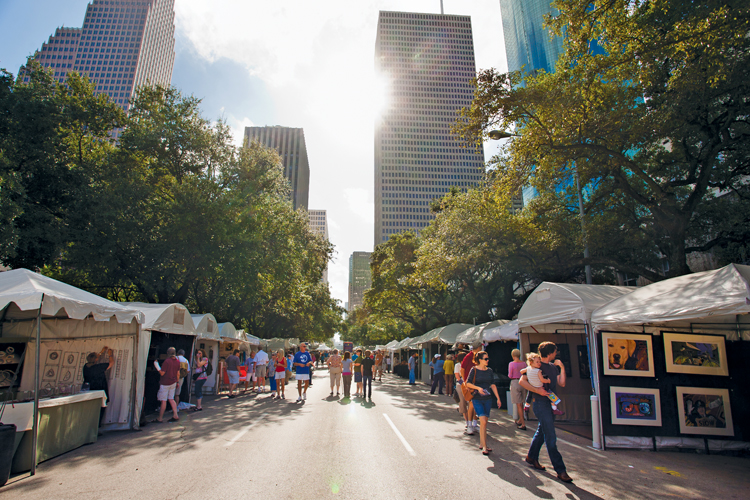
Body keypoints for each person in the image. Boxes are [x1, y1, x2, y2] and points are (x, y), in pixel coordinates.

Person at [520, 341, 572, 483]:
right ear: (550, 353)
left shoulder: (552, 367)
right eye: (555, 351)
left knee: (542, 431)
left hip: (551, 403)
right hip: (540, 403)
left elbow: (562, 383)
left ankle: (531, 456)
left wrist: (561, 367)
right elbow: (521, 381)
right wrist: (537, 390)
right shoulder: (536, 365)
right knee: (550, 436)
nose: (556, 354)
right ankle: (560, 469)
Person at [463, 350, 501, 456]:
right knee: (483, 421)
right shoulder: (474, 370)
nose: (488, 360)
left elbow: (492, 384)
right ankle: (484, 446)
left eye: (488, 358)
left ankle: (481, 442)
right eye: (485, 359)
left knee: (485, 422)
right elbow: (468, 383)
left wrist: (498, 398)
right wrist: (478, 388)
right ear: (479, 360)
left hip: (488, 398)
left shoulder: (489, 371)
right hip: (477, 398)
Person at [83, 346, 114, 426]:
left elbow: (94, 359)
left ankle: (90, 425)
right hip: (99, 388)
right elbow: (111, 363)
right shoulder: (97, 368)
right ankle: (97, 426)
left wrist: (101, 352)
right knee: (100, 408)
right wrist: (110, 355)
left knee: (91, 408)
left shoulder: (86, 367)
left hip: (89, 389)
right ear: (96, 360)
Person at [461, 342, 482, 435]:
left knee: (475, 405)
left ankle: (474, 424)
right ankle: (470, 425)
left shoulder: (478, 357)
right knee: (472, 405)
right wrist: (465, 382)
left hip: (477, 384)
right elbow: (462, 369)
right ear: (478, 348)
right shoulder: (469, 357)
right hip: (471, 384)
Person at [155, 347, 181, 423]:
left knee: (163, 400)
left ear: (168, 353)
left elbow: (162, 373)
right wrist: (177, 382)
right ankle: (175, 415)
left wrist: (157, 366)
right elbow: (178, 373)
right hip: (173, 382)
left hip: (165, 382)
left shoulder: (166, 361)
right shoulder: (177, 361)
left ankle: (160, 418)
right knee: (171, 399)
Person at [508, 349, 527, 430]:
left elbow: (510, 375)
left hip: (515, 381)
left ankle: (523, 423)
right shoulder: (524, 363)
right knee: (522, 403)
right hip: (523, 382)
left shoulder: (511, 364)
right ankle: (520, 419)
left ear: (513, 356)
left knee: (518, 404)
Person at [454, 352, 469, 430]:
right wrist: (463, 384)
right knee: (462, 403)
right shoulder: (457, 365)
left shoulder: (468, 364)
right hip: (461, 385)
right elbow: (457, 376)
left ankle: (471, 420)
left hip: (469, 385)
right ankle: (467, 421)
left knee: (470, 403)